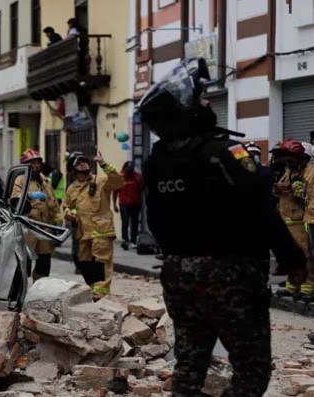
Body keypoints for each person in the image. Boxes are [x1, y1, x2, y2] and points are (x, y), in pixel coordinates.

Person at [139, 56, 307, 397]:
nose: (205, 103)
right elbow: (262, 208)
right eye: (200, 98)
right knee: (251, 368)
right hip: (231, 272)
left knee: (189, 365)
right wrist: (293, 259)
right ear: (186, 111)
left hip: (177, 272)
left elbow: (154, 220)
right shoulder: (223, 152)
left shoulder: (158, 160)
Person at [63, 151, 123, 299]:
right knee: (84, 263)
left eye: (84, 161)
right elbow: (68, 206)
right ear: (72, 169)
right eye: (78, 162)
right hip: (83, 233)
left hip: (101, 231)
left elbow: (118, 181)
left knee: (101, 262)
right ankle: (94, 288)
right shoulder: (71, 189)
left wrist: (103, 163)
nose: (83, 163)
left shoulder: (101, 181)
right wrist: (69, 213)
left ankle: (100, 295)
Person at [273, 138, 314, 299]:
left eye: (288, 160)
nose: (286, 164)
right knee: (292, 255)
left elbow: (310, 197)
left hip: (303, 220)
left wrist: (300, 194)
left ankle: (309, 286)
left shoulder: (310, 172)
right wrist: (279, 189)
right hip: (288, 221)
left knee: (307, 255)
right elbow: (282, 190)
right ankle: (293, 285)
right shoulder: (290, 172)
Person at [11, 149, 61, 280]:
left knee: (44, 261)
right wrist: (29, 196)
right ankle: (21, 290)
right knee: (24, 261)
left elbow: (52, 201)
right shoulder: (21, 180)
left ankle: (39, 289)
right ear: (25, 165)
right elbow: (15, 198)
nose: (36, 165)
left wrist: (58, 219)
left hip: (44, 228)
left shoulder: (45, 182)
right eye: (32, 163)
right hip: (27, 228)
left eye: (38, 162)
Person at [112, 161, 143, 250]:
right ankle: (125, 240)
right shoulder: (120, 177)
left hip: (135, 203)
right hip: (124, 204)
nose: (128, 173)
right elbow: (115, 192)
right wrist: (114, 204)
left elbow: (141, 189)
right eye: (127, 170)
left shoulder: (137, 177)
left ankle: (133, 241)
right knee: (125, 222)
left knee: (135, 222)